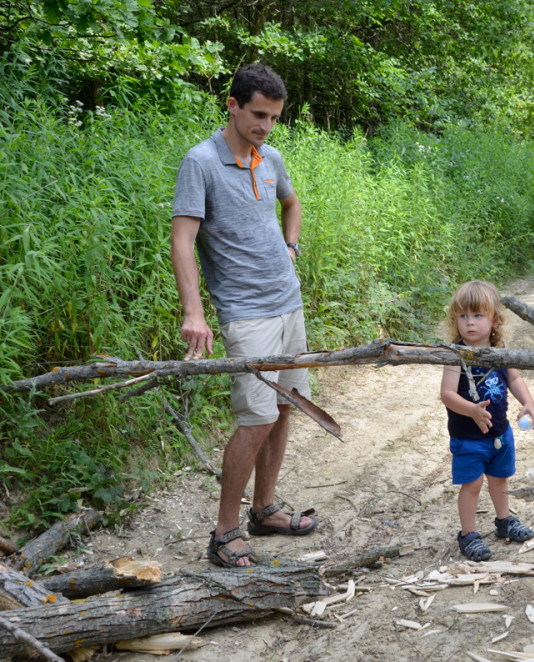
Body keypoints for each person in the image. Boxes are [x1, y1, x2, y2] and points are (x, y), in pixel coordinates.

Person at [171, 63, 316, 568]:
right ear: (232, 105)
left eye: (274, 117)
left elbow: (292, 205)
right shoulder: (201, 162)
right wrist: (195, 313)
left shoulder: (269, 156)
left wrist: (290, 247)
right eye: (258, 115)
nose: (266, 126)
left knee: (284, 407)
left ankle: (265, 510)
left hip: (288, 303)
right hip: (245, 312)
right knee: (254, 419)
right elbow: (183, 242)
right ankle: (224, 531)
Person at [440, 281, 534, 561]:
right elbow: (447, 394)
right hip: (468, 437)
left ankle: (504, 520)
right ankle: (469, 535)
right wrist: (471, 410)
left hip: (499, 432)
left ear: (494, 319)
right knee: (472, 485)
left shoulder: (499, 349)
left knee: (500, 479)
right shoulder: (455, 354)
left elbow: (515, 378)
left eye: (477, 316)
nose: (469, 323)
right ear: (455, 320)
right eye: (463, 316)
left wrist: (528, 404)